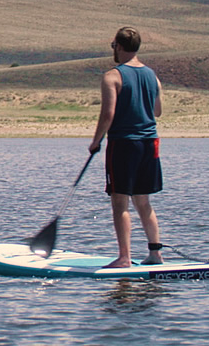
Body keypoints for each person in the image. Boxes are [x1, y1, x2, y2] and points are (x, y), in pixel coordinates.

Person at [87, 27, 164, 268]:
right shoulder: (152, 76)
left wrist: (96, 141)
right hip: (149, 143)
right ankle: (155, 254)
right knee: (143, 201)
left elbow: (107, 115)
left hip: (124, 144)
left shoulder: (112, 76)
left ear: (118, 47)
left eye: (113, 46)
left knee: (120, 203)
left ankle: (123, 258)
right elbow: (157, 111)